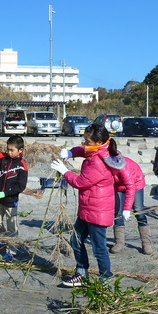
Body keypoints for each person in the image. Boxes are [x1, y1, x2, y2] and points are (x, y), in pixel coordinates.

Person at [52, 123, 115, 287]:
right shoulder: (95, 151)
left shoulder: (100, 162)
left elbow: (81, 182)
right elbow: (84, 150)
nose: (84, 144)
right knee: (76, 240)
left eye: (87, 141)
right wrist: (71, 152)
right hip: (88, 208)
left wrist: (65, 172)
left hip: (98, 211)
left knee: (98, 247)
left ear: (99, 142)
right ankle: (81, 273)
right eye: (84, 140)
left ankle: (106, 277)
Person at [0, 135, 28, 261]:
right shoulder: (2, 157)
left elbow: (21, 186)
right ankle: (3, 240)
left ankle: (12, 250)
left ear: (20, 150)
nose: (8, 152)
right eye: (7, 149)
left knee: (12, 226)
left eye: (11, 150)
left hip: (10, 200)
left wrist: (6, 193)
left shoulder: (22, 166)